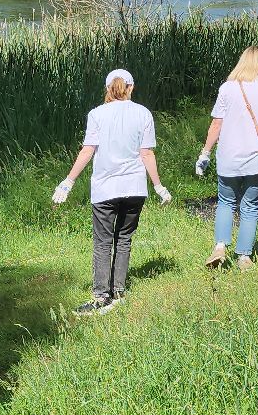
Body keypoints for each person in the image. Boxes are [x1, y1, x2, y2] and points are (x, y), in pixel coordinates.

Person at [53, 69, 170, 315]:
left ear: (108, 89)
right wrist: (158, 186)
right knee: (124, 239)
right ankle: (118, 292)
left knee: (103, 242)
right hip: (135, 188)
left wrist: (68, 182)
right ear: (131, 87)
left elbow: (88, 150)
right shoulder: (143, 113)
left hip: (105, 189)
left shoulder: (96, 114)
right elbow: (147, 154)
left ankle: (100, 297)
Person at [195, 46, 258, 271]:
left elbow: (216, 124)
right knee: (251, 206)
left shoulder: (228, 88)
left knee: (226, 202)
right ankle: (244, 257)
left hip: (228, 157)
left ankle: (219, 246)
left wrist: (205, 153)